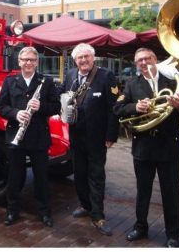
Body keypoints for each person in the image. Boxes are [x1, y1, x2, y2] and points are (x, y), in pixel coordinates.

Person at [113, 48, 179, 247]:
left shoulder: (174, 82)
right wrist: (135, 108)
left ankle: (173, 234)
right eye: (139, 60)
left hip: (169, 147)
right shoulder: (132, 84)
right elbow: (118, 110)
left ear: (155, 60)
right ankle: (140, 227)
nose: (143, 62)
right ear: (135, 63)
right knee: (143, 191)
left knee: (171, 192)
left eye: (147, 58)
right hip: (143, 147)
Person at [57, 43, 118, 235]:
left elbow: (113, 108)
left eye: (86, 56)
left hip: (97, 137)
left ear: (93, 57)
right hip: (76, 134)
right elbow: (63, 95)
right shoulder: (70, 75)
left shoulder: (106, 76)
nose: (83, 60)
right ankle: (85, 205)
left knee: (96, 175)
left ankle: (98, 215)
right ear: (75, 60)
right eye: (79, 57)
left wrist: (111, 135)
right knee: (80, 173)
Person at [0, 47, 60, 227]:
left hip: (38, 136)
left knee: (41, 176)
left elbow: (56, 107)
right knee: (15, 176)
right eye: (25, 59)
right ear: (19, 61)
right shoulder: (10, 81)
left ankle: (45, 213)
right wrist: (16, 113)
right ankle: (12, 211)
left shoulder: (46, 82)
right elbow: (1, 107)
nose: (28, 63)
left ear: (36, 62)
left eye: (32, 60)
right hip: (15, 134)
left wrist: (41, 106)